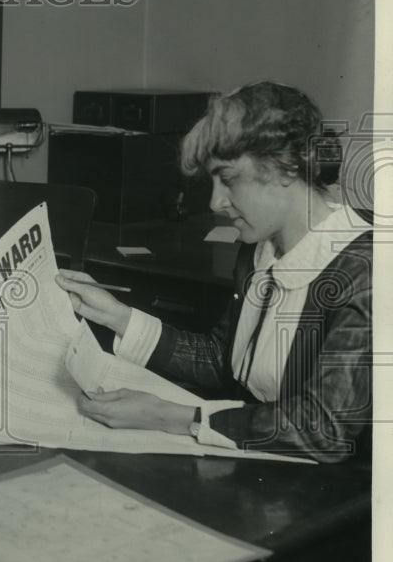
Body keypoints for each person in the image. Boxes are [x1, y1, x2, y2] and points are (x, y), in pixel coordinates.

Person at [56, 82, 372, 463]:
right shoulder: (259, 248)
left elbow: (324, 430)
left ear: (287, 167)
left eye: (229, 178)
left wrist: (169, 416)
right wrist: (117, 316)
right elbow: (225, 362)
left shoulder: (365, 269)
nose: (215, 201)